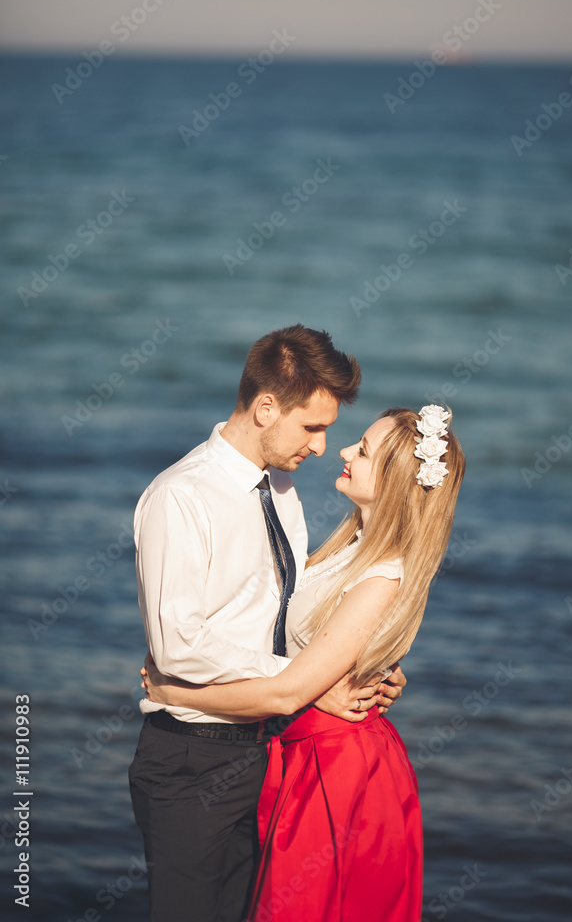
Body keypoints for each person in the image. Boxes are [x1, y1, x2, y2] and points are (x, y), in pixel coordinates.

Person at [143, 402, 465, 922]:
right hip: (296, 750)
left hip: (337, 766)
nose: (339, 450)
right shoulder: (352, 545)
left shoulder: (381, 574)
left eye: (362, 450)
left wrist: (174, 692)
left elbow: (291, 688)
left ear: (395, 482)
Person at [128, 324, 406, 922]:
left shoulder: (283, 490)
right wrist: (305, 681)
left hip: (268, 754)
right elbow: (179, 647)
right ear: (265, 407)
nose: (324, 445)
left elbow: (286, 612)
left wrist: (361, 663)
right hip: (190, 759)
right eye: (312, 426)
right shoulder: (181, 497)